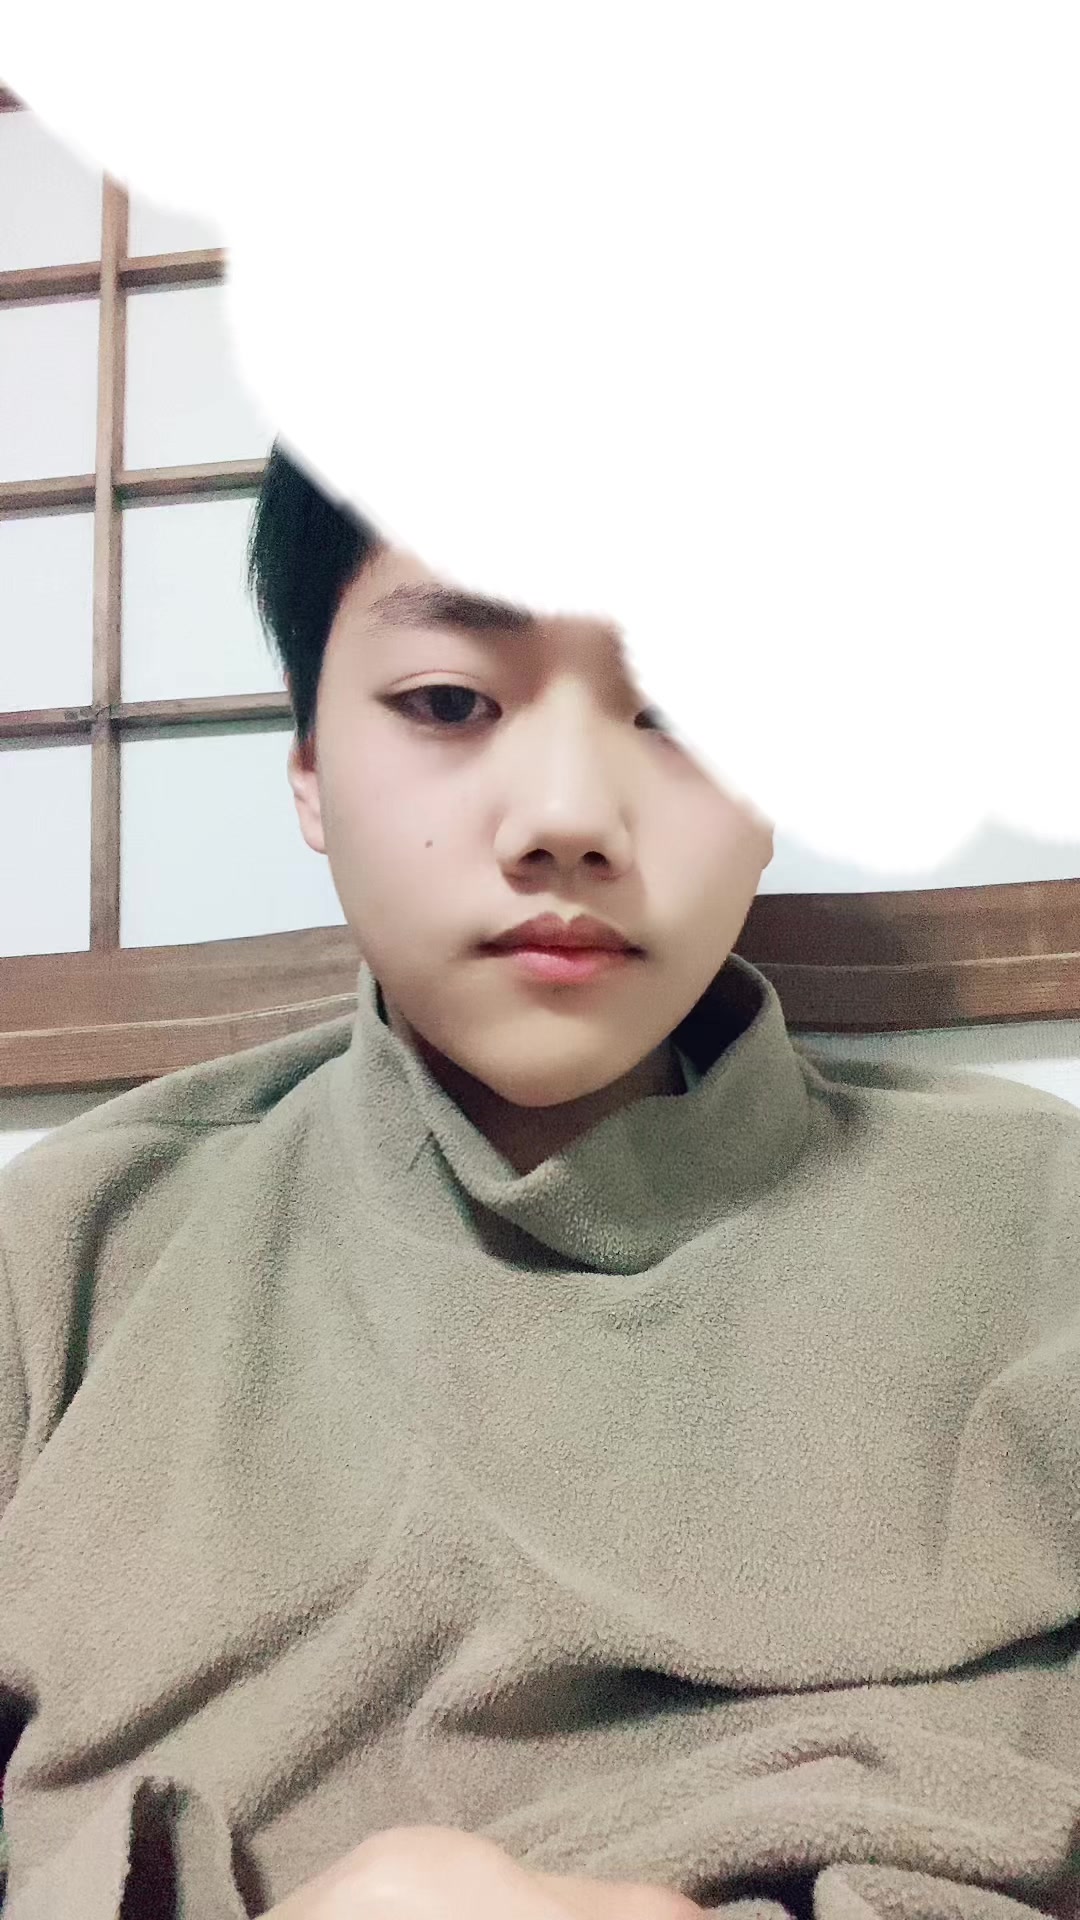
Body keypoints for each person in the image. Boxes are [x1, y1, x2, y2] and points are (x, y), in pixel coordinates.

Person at [0, 443, 1078, 1920]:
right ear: (309, 768)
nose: (568, 814)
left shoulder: (1044, 1230)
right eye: (451, 701)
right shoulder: (60, 1265)